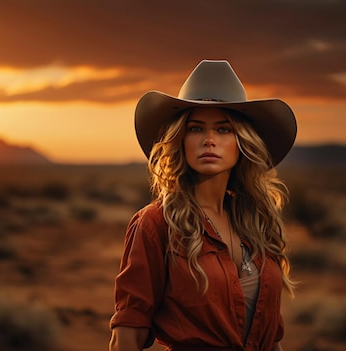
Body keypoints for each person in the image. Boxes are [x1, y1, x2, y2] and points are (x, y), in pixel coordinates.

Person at [109, 59, 297, 351]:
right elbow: (128, 336)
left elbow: (271, 338)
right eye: (196, 129)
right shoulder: (156, 224)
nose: (209, 140)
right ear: (180, 140)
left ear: (243, 142)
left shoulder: (257, 223)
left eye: (223, 130)